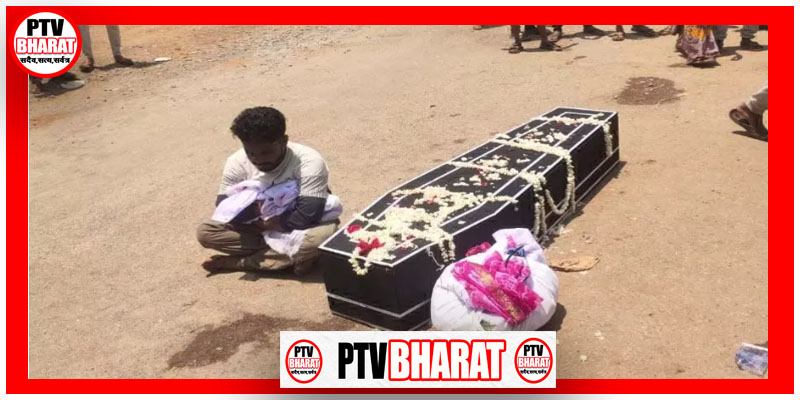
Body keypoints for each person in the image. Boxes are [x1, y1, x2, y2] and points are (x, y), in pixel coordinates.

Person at [197, 107, 339, 275]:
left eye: (266, 152)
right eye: (250, 153)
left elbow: (309, 213)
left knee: (321, 239)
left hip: (302, 226)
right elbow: (223, 205)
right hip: (258, 227)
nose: (258, 159)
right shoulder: (236, 162)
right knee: (206, 233)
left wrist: (274, 223)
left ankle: (240, 263)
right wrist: (258, 218)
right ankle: (295, 256)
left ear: (284, 141)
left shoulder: (308, 161)